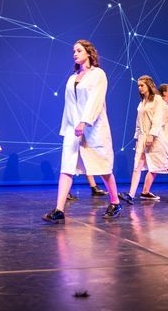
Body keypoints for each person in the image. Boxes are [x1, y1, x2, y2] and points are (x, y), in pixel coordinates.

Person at [43, 40, 121, 223]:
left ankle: (115, 202)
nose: (75, 54)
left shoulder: (98, 75)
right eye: (73, 51)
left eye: (78, 50)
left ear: (88, 52)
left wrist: (84, 122)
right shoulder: (72, 78)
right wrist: (69, 128)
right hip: (73, 129)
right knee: (66, 167)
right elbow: (69, 105)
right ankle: (59, 209)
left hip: (93, 128)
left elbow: (96, 100)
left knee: (102, 167)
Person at [118, 76, 168, 204]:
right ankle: (131, 194)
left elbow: (158, 118)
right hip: (142, 137)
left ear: (149, 85)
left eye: (142, 85)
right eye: (138, 86)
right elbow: (138, 122)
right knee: (138, 166)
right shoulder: (142, 102)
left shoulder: (157, 99)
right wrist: (137, 137)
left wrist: (152, 135)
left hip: (156, 137)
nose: (140, 88)